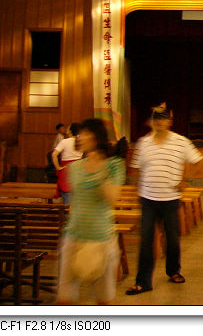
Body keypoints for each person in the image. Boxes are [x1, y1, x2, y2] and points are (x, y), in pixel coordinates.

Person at [126, 107, 203, 296]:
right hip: (147, 199)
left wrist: (186, 180)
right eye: (156, 119)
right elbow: (137, 169)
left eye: (163, 119)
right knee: (146, 242)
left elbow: (198, 161)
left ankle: (173, 271)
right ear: (152, 122)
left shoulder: (181, 142)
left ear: (169, 121)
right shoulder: (143, 143)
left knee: (172, 239)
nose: (159, 122)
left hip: (170, 199)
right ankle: (143, 282)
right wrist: (137, 189)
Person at [56, 118, 126, 305]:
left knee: (103, 300)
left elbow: (111, 199)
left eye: (85, 133)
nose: (80, 137)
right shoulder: (75, 167)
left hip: (101, 239)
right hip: (74, 236)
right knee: (65, 299)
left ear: (97, 137)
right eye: (80, 133)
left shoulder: (114, 166)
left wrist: (100, 169)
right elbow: (77, 199)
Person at [52, 123, 83, 205]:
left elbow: (54, 154)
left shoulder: (65, 141)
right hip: (79, 172)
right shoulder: (81, 142)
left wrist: (58, 167)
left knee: (67, 205)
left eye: (68, 128)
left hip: (66, 172)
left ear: (70, 131)